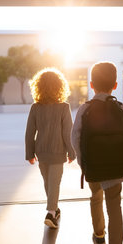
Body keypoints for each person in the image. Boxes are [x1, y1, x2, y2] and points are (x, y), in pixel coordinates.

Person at [72, 62, 123, 244]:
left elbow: (75, 137)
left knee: (95, 198)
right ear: (115, 85)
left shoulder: (85, 109)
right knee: (115, 205)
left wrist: (82, 162)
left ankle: (99, 234)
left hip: (93, 166)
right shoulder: (122, 109)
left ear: (92, 84)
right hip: (116, 167)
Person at [25, 68, 76, 229]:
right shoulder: (63, 107)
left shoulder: (35, 107)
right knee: (54, 183)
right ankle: (51, 213)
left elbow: (29, 133)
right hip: (58, 151)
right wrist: (72, 152)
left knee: (48, 183)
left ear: (38, 87)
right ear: (60, 87)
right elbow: (68, 133)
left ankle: (54, 210)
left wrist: (29, 154)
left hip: (41, 151)